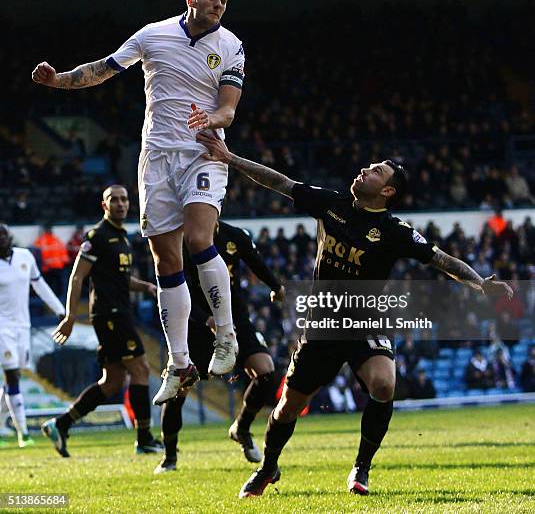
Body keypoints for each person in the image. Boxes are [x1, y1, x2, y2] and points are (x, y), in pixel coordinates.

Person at [196, 132, 513, 498]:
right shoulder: (331, 204)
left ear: (388, 191)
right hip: (323, 323)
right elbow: (279, 182)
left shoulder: (395, 232)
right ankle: (268, 467)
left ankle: (361, 468)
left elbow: (442, 260)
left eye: (376, 170)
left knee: (384, 384)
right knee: (286, 409)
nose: (365, 170)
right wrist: (229, 158)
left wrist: (478, 283)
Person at [32, 0, 245, 404]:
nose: (218, 4)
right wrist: (60, 82)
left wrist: (213, 117)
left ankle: (226, 336)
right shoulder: (152, 35)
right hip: (156, 160)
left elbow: (229, 107)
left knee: (199, 238)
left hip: (204, 152)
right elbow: (104, 68)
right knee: (166, 261)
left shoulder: (231, 46)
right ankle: (180, 361)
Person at [41, 186, 162, 457]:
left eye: (124, 199)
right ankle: (144, 438)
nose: (120, 204)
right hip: (110, 314)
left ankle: (60, 424)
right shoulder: (96, 236)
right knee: (141, 369)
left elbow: (120, 279)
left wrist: (147, 287)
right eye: (114, 200)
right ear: (104, 205)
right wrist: (70, 316)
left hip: (119, 312)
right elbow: (76, 277)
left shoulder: (122, 238)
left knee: (113, 380)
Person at [156, 221, 285, 473]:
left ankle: (242, 428)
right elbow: (184, 289)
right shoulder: (182, 241)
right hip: (196, 322)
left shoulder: (234, 236)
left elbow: (256, 262)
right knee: (181, 388)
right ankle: (169, 456)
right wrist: (207, 319)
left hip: (234, 317)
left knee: (265, 370)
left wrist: (276, 286)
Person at [0, 223, 65, 447]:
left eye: (3, 235)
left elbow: (40, 285)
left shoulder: (25, 257)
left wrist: (60, 310)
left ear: (10, 238)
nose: (1, 239)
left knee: (15, 375)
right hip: (2, 329)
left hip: (22, 326)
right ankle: (23, 434)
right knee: (12, 376)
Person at [33, 223, 69, 298]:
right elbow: (64, 256)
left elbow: (35, 255)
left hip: (47, 269)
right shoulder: (56, 239)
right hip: (58, 268)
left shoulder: (40, 241)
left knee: (48, 288)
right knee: (60, 287)